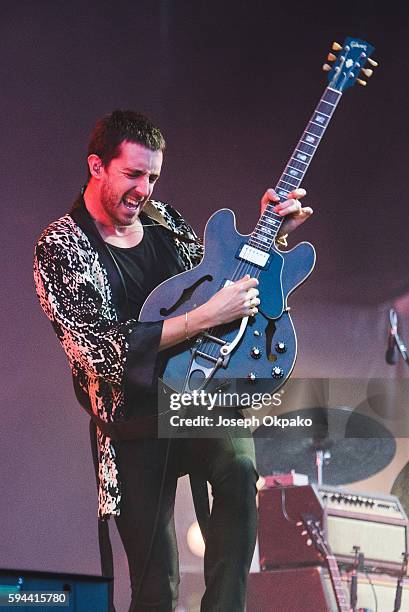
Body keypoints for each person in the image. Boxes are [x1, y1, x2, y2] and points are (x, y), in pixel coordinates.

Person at [34, 110, 312, 611]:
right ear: (96, 166)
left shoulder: (165, 222)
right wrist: (204, 317)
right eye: (133, 174)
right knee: (156, 586)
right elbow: (101, 352)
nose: (144, 190)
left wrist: (271, 236)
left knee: (238, 467)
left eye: (154, 177)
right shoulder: (60, 246)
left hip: (195, 396)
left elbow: (223, 282)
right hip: (131, 424)